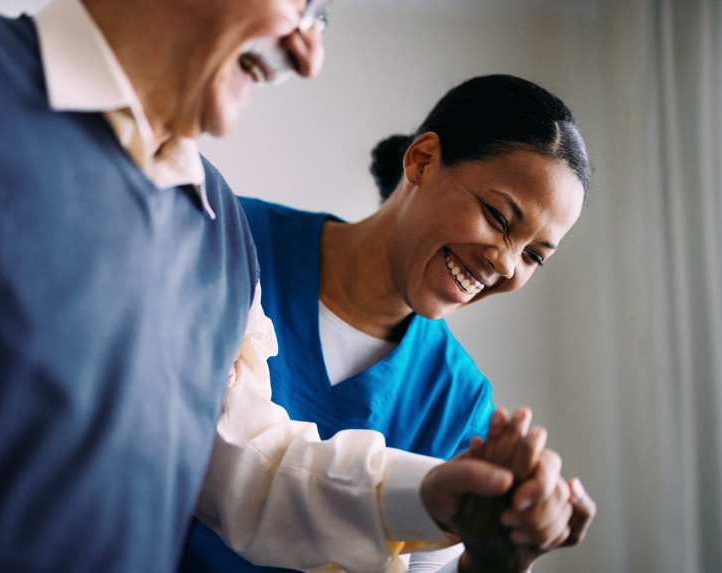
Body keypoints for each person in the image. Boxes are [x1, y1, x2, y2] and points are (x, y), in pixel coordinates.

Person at [0, 0, 585, 571]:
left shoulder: (217, 232)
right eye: (299, 3)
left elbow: (249, 465)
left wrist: (435, 496)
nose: (309, 52)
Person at [183, 74, 597, 573]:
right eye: (497, 216)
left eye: (534, 256)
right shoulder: (230, 242)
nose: (507, 265)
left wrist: (491, 561)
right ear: (422, 160)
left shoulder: (458, 404)